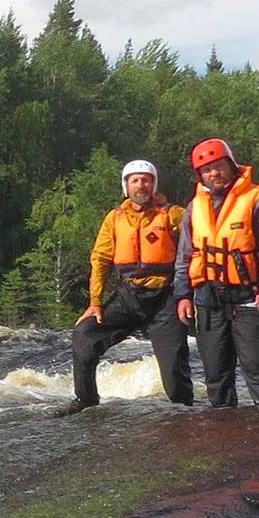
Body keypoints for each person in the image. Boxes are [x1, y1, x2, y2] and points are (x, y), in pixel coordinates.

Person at [66, 159, 193, 411]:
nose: (141, 185)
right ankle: (86, 399)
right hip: (128, 296)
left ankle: (185, 409)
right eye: (135, 180)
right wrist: (95, 302)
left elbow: (195, 243)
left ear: (154, 185)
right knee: (84, 335)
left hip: (165, 298)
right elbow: (101, 260)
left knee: (173, 370)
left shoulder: (173, 214)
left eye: (146, 180)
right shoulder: (114, 219)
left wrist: (189, 293)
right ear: (127, 186)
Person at [172, 137, 259, 407]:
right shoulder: (193, 207)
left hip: (249, 295)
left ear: (232, 166)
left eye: (219, 166)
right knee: (216, 374)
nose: (214, 174)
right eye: (207, 170)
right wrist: (183, 295)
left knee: (258, 371)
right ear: (200, 175)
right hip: (209, 298)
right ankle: (223, 437)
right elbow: (185, 256)